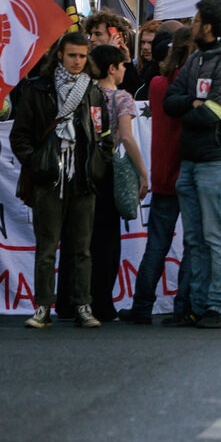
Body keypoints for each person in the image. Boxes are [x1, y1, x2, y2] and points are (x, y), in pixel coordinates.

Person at [11, 33, 113, 329]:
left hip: (82, 178)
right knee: (46, 248)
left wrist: (97, 164)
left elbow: (104, 135)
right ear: (59, 55)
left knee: (82, 248)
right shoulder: (38, 89)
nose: (77, 61)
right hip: (50, 179)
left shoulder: (93, 91)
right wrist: (37, 163)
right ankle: (43, 308)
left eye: (82, 56)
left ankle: (83, 306)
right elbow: (20, 135)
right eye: (72, 55)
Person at [164, 0, 221, 329]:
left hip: (219, 161)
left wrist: (189, 110)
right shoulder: (197, 58)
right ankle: (196, 306)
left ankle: (217, 307)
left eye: (197, 21)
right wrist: (192, 103)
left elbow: (212, 113)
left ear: (210, 27)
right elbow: (171, 101)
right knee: (195, 239)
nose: (193, 26)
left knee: (216, 237)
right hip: (192, 161)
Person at [122, 29, 195, 325]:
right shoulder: (192, 87)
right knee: (192, 244)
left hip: (163, 174)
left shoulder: (157, 84)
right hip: (188, 173)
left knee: (156, 244)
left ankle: (141, 305)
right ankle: (183, 307)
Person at [88, 44, 151, 322]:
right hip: (107, 169)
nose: (126, 69)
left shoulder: (85, 93)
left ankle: (76, 301)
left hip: (82, 168)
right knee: (108, 240)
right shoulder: (121, 97)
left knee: (84, 238)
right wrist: (142, 172)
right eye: (123, 65)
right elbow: (125, 136)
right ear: (112, 68)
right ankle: (102, 303)